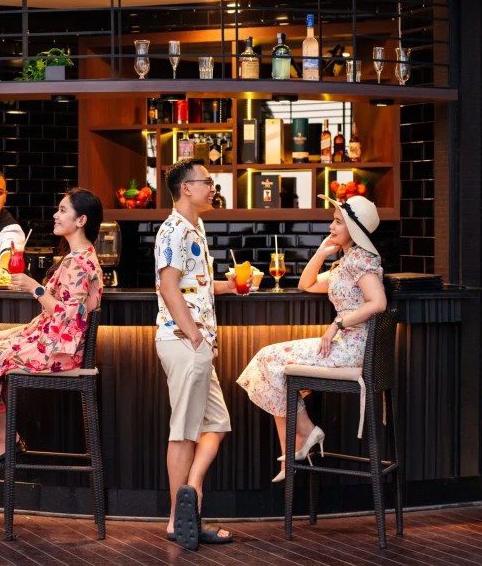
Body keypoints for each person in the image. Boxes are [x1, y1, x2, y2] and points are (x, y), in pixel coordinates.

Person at [0, 188, 103, 466]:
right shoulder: (78, 256)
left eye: (62, 210)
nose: (55, 215)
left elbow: (68, 318)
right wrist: (10, 332)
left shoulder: (79, 262)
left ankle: (2, 439)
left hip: (60, 354)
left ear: (81, 220)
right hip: (52, 345)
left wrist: (34, 287)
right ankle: (2, 437)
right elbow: (54, 319)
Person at [237, 194, 387, 483]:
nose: (331, 226)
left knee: (269, 361)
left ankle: (304, 434)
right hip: (344, 345)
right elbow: (307, 284)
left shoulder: (361, 260)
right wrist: (320, 253)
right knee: (271, 365)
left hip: (352, 349)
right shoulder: (346, 262)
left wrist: (336, 324)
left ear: (353, 230)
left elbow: (378, 302)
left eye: (338, 222)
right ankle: (297, 444)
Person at [154, 160, 235, 551]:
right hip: (184, 342)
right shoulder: (172, 230)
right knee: (184, 432)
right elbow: (168, 287)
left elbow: (195, 285)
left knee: (216, 423)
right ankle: (176, 519)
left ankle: (192, 492)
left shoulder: (195, 227)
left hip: (198, 344)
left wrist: (230, 286)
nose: (212, 188)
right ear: (186, 188)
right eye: (207, 182)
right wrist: (195, 337)